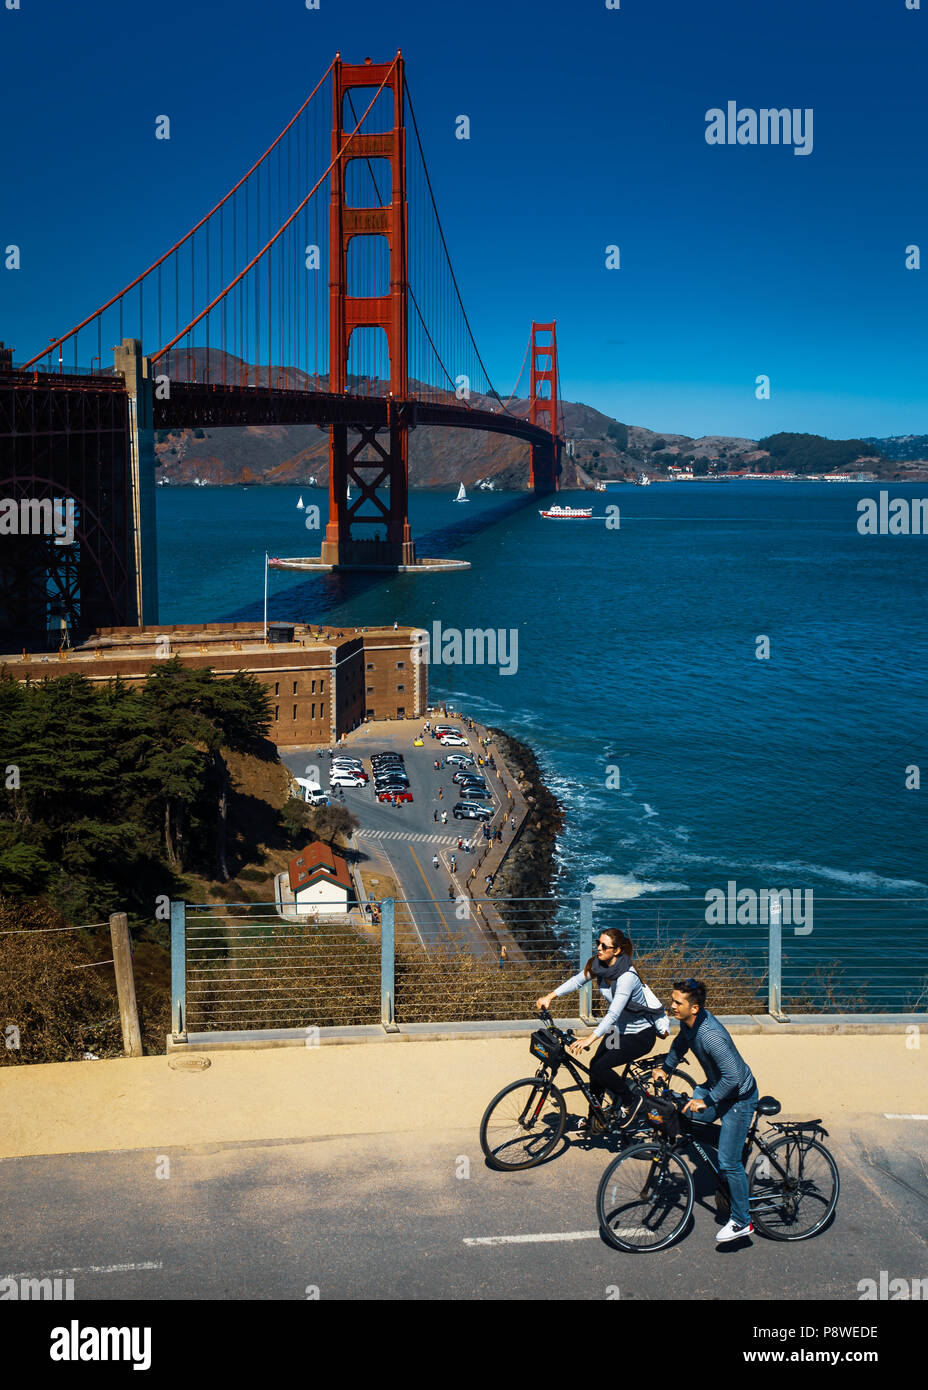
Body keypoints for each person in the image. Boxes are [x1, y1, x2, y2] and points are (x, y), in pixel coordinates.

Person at [653, 979, 759, 1244]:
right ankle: (736, 1145)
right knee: (685, 1116)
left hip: (739, 1097)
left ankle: (742, 1221)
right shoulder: (688, 1024)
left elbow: (733, 1078)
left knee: (727, 1163)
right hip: (717, 1086)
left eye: (678, 1002)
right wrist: (666, 1069)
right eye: (673, 1000)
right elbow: (679, 1044)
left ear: (695, 1008)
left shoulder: (710, 1035)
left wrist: (708, 1101)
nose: (672, 1005)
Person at [536, 928, 669, 1137]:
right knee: (595, 1068)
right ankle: (596, 1120)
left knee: (600, 1066)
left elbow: (613, 1013)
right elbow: (577, 981)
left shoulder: (627, 977)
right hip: (618, 1032)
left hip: (639, 1035)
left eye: (604, 946)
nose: (598, 948)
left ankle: (632, 1101)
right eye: (598, 943)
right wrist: (550, 996)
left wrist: (589, 1038)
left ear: (616, 950)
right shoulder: (598, 965)